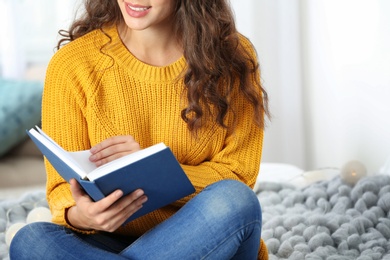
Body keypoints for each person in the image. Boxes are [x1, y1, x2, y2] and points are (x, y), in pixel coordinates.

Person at [10, 0, 270, 259]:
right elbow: (60, 190)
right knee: (31, 240)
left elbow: (238, 176)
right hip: (109, 242)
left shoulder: (231, 57)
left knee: (235, 200)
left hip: (206, 237)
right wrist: (84, 216)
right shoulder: (72, 65)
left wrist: (151, 169)